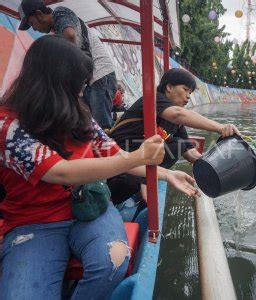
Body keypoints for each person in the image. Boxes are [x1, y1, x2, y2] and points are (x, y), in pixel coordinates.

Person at [0, 35, 198, 299]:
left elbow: (112, 154)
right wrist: (137, 157)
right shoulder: (8, 125)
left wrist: (167, 173)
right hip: (33, 223)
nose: (83, 92)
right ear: (55, 81)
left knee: (113, 263)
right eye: (79, 84)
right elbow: (58, 171)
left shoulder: (79, 116)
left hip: (89, 209)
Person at [107, 68, 240, 202]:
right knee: (131, 181)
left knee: (179, 144)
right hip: (116, 157)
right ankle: (137, 185)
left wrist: (218, 165)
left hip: (137, 162)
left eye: (190, 92)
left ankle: (144, 180)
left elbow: (189, 152)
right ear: (169, 87)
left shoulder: (176, 123)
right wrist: (220, 127)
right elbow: (177, 114)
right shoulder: (154, 99)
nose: (188, 96)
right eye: (185, 89)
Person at [18, 0, 116, 129]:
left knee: (101, 127)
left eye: (32, 23)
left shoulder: (60, 13)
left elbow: (70, 36)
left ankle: (110, 148)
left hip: (100, 75)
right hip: (91, 80)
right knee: (88, 127)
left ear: (39, 14)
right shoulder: (56, 31)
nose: (35, 29)